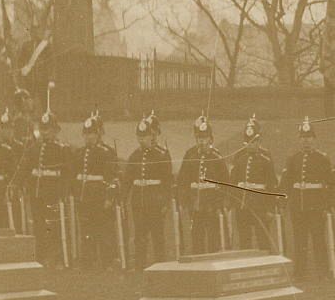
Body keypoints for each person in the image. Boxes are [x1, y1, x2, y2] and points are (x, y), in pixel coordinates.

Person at [281, 117, 335, 280]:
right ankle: (300, 272)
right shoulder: (293, 159)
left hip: (316, 205)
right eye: (303, 138)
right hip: (298, 205)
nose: (306, 141)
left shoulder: (322, 158)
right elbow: (287, 182)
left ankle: (322, 271)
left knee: (318, 239)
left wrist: (328, 203)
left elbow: (330, 183)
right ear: (299, 139)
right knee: (299, 240)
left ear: (314, 139)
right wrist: (284, 200)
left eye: (309, 138)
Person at [11, 109, 69, 266]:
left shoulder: (62, 149)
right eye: (43, 129)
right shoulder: (33, 148)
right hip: (36, 193)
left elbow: (66, 174)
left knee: (53, 226)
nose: (45, 133)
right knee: (39, 225)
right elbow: (23, 168)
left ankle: (56, 256)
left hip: (53, 193)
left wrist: (64, 193)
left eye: (48, 129)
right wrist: (15, 183)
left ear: (56, 130)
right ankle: (41, 256)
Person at [67, 111, 119, 268]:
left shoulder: (106, 153)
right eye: (86, 134)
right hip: (84, 197)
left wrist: (109, 198)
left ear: (98, 134)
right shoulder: (80, 153)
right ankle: (88, 260)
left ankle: (106, 261)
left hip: (100, 197)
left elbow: (112, 178)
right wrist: (75, 195)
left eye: (92, 134)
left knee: (104, 230)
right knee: (86, 230)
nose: (89, 137)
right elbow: (74, 176)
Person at [126, 113, 175, 268]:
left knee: (157, 234)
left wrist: (165, 201)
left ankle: (160, 264)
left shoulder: (161, 155)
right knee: (140, 234)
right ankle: (140, 264)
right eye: (139, 136)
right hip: (138, 202)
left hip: (155, 201)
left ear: (151, 136)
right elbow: (128, 180)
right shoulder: (134, 156)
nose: (142, 140)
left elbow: (167, 182)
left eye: (145, 136)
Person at [176, 115, 229, 255]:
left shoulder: (217, 157)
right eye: (199, 138)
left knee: (213, 237)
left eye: (204, 138)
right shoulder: (190, 155)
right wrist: (185, 201)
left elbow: (225, 183)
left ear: (211, 139)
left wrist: (220, 203)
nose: (202, 141)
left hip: (212, 205)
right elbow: (183, 180)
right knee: (196, 237)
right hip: (195, 204)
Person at [228, 117, 279, 251]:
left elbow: (272, 186)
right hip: (242, 206)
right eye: (248, 142)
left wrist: (270, 209)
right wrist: (234, 203)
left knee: (263, 240)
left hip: (260, 206)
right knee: (244, 240)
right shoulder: (239, 158)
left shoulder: (265, 160)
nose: (250, 145)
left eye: (254, 142)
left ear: (259, 142)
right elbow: (233, 182)